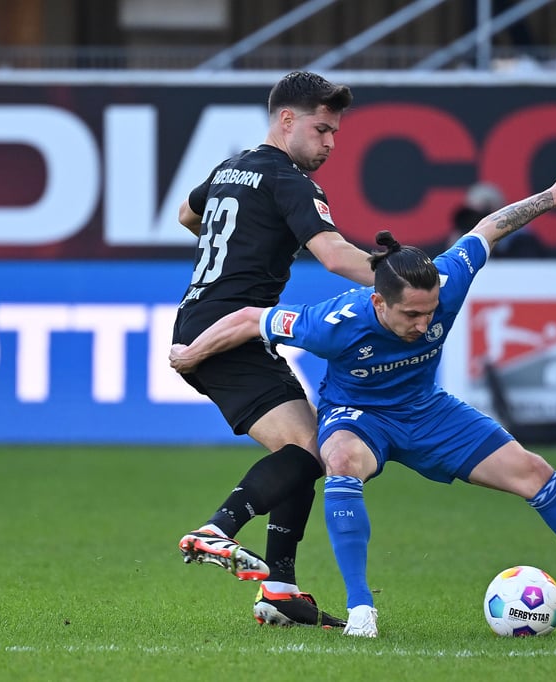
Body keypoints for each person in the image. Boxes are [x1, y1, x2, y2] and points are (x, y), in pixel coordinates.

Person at [170, 164, 556, 638]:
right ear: (379, 301)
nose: (424, 324)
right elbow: (247, 318)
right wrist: (191, 354)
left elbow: (489, 227)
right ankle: (361, 609)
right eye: (411, 316)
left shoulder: (448, 281)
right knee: (337, 460)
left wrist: (553, 196)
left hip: (427, 411)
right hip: (359, 417)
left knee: (533, 471)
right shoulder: (334, 322)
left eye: (430, 314)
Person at [172, 71, 377, 627]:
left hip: (203, 318)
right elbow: (336, 257)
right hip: (231, 330)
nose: (330, 144)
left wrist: (242, 241)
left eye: (335, 133)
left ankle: (281, 590)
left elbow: (189, 215)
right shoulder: (291, 182)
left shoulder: (231, 167)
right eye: (322, 129)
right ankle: (218, 530)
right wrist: (409, 276)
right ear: (287, 120)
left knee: (307, 447)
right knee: (317, 451)